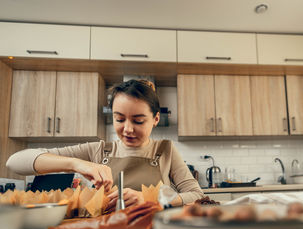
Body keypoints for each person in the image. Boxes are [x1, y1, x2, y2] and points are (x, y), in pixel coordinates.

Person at [6, 79, 204, 208]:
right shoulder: (98, 150)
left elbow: (196, 195)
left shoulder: (165, 150)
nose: (127, 129)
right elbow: (14, 162)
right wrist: (77, 163)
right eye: (119, 119)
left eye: (138, 120)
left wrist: (154, 200)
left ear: (156, 119)